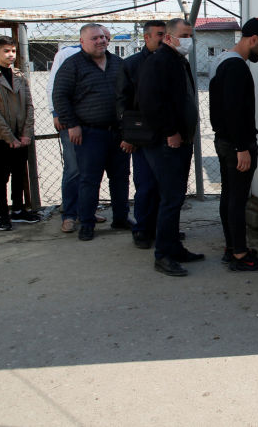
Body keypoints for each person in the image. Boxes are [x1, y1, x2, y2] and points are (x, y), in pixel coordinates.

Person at [137, 18, 204, 276]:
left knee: (175, 197)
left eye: (191, 35)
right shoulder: (159, 61)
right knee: (170, 198)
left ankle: (174, 247)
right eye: (184, 35)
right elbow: (150, 103)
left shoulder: (178, 60)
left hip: (181, 139)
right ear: (168, 37)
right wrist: (170, 132)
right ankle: (163, 255)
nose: (189, 40)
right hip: (167, 142)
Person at [210, 18, 258, 272]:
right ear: (253, 39)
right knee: (237, 200)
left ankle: (232, 247)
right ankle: (240, 255)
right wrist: (242, 148)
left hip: (224, 141)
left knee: (229, 196)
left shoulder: (222, 60)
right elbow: (234, 110)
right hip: (236, 144)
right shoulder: (236, 67)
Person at [52, 24, 131, 241]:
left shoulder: (118, 64)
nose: (100, 41)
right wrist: (72, 124)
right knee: (89, 180)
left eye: (103, 37)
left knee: (121, 178)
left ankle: (121, 218)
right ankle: (87, 223)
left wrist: (128, 130)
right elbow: (60, 96)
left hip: (117, 133)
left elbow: (129, 96)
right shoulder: (72, 65)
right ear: (82, 42)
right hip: (89, 134)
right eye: (94, 38)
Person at [0, 36, 37, 231]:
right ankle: (3, 214)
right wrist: (9, 136)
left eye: (13, 51)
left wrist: (26, 133)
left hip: (21, 135)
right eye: (6, 51)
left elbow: (29, 105)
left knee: (20, 173)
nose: (10, 55)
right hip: (1, 136)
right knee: (2, 175)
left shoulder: (19, 75)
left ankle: (18, 210)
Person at [120, 20, 165, 248]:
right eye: (159, 34)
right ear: (146, 37)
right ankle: (143, 230)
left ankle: (164, 229)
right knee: (146, 185)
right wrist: (129, 136)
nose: (163, 38)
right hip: (142, 138)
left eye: (166, 34)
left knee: (166, 187)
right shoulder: (131, 64)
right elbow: (122, 102)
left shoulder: (173, 62)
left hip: (167, 135)